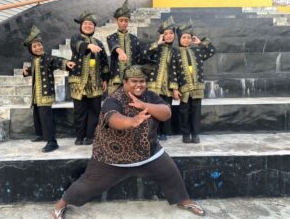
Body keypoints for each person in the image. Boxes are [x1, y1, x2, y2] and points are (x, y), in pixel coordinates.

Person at [51, 65, 205, 219]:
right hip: (112, 159)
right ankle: (61, 204)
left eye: (142, 81)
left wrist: (145, 106)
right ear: (124, 82)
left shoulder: (150, 96)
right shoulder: (113, 100)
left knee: (171, 174)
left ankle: (184, 200)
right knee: (87, 185)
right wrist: (132, 121)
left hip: (149, 154)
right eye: (134, 81)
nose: (139, 85)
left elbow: (166, 113)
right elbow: (113, 119)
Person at [22, 25, 75, 152]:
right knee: (37, 116)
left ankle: (52, 141)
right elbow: (32, 70)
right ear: (31, 50)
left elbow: (56, 61)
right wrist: (26, 72)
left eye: (39, 45)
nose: (38, 47)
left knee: (46, 118)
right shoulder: (34, 60)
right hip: (36, 94)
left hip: (45, 94)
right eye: (34, 46)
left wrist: (66, 63)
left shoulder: (47, 58)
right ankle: (40, 134)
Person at [68, 10, 110, 145]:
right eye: (85, 23)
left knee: (94, 110)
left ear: (94, 27)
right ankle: (79, 136)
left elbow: (104, 63)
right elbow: (78, 46)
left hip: (95, 82)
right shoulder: (75, 39)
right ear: (81, 26)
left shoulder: (99, 43)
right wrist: (88, 46)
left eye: (91, 24)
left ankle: (90, 136)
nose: (88, 26)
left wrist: (105, 79)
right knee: (79, 110)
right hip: (79, 82)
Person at [172, 21, 216, 143]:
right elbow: (173, 71)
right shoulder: (175, 53)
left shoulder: (197, 51)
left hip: (197, 88)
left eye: (189, 38)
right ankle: (186, 134)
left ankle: (195, 134)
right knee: (184, 112)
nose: (186, 40)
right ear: (179, 39)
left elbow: (212, 51)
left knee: (196, 112)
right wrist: (175, 89)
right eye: (184, 37)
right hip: (184, 88)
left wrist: (200, 42)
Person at [143, 16, 177, 141]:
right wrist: (157, 43)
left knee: (165, 108)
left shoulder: (175, 51)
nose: (168, 36)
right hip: (153, 85)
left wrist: (174, 88)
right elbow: (143, 55)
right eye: (166, 34)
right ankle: (152, 132)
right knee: (152, 109)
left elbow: (176, 70)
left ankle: (164, 132)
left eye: (171, 33)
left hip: (167, 86)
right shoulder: (155, 48)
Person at [107, 0, 142, 94]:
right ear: (116, 21)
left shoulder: (134, 39)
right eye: (121, 20)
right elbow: (113, 44)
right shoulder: (111, 37)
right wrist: (120, 51)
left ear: (128, 21)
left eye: (126, 21)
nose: (123, 23)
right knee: (115, 104)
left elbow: (139, 58)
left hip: (131, 79)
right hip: (116, 78)